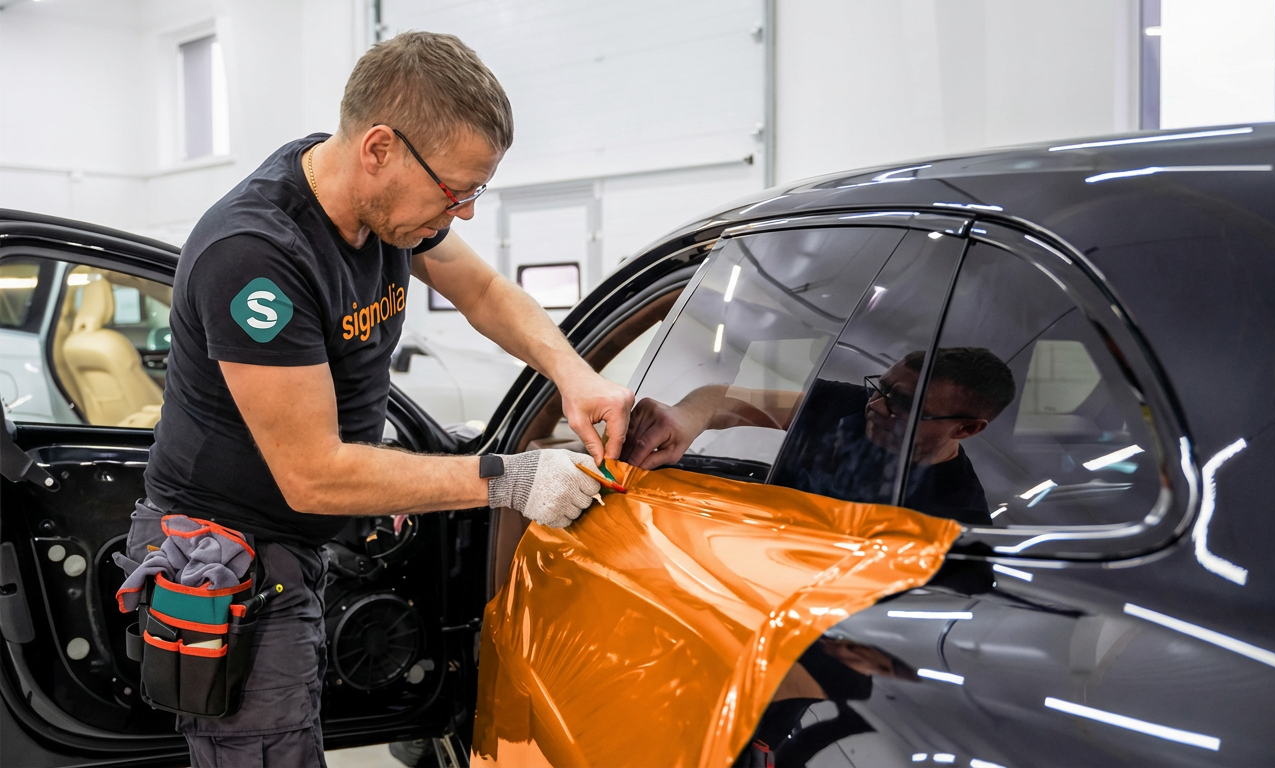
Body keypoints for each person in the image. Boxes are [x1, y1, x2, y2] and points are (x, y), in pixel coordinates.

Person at [122, 32, 632, 766]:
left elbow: (484, 291)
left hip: (299, 541)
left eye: (475, 192)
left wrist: (575, 375)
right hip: (224, 557)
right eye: (455, 191)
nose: (461, 215)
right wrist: (510, 478)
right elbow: (314, 474)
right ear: (379, 148)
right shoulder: (256, 255)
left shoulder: (379, 205)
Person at [624, 347, 1015, 525]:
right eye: (879, 387)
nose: (876, 406)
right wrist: (686, 416)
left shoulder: (956, 517)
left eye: (904, 404)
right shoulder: (846, 403)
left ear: (966, 428)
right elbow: (724, 401)